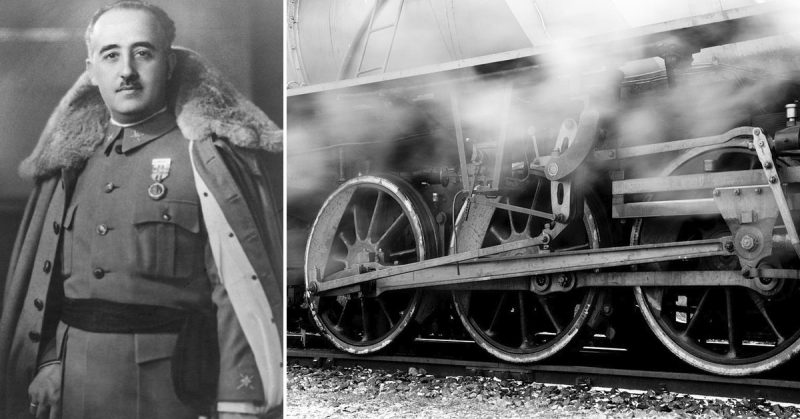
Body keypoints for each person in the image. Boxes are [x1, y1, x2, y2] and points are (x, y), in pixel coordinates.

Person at [0, 1, 283, 418]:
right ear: (92, 70)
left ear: (168, 64)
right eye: (111, 55)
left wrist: (237, 401)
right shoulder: (69, 164)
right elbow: (48, 286)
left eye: (143, 53)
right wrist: (49, 360)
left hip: (170, 390)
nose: (127, 70)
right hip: (73, 389)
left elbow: (235, 290)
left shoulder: (206, 160)